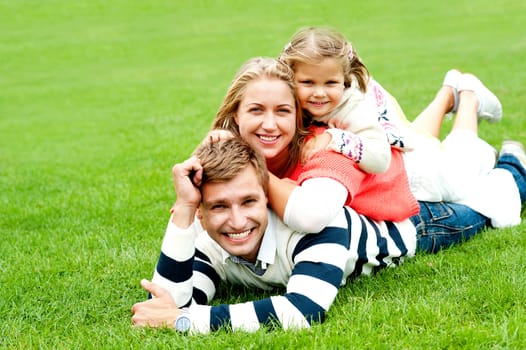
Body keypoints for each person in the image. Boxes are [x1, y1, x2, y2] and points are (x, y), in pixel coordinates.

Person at [131, 138, 418, 333]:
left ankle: (461, 95)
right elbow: (166, 302)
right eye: (219, 206)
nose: (237, 221)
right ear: (201, 214)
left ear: (267, 198)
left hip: (413, 228)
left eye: (248, 201)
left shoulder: (316, 228)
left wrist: (185, 322)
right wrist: (183, 207)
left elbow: (303, 310)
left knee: (462, 202)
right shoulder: (209, 244)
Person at [280, 26, 523, 228]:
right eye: (307, 82)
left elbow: (380, 158)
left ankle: (469, 97)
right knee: (418, 139)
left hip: (420, 174)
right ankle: (448, 92)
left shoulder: (352, 107)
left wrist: (333, 138)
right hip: (406, 148)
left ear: (344, 79)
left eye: (330, 83)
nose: (319, 92)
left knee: (465, 170)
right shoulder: (297, 97)